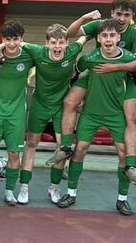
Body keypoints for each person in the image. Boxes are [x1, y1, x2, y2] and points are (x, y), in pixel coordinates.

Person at [49, 0, 136, 186]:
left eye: (126, 15)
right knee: (69, 102)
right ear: (112, 13)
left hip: (123, 75)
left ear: (132, 16)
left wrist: (114, 67)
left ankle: (131, 164)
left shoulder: (135, 32)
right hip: (97, 71)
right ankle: (66, 147)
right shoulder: (99, 27)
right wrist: (85, 17)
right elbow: (69, 33)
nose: (122, 18)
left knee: (133, 117)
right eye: (119, 14)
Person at [56, 19, 136, 215]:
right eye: (104, 36)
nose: (108, 39)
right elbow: (76, 71)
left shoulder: (128, 58)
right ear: (99, 38)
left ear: (118, 37)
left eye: (112, 35)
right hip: (90, 113)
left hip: (115, 114)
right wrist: (77, 94)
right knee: (80, 149)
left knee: (122, 153)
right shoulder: (90, 58)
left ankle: (122, 199)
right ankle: (71, 193)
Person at [17, 24, 89, 205]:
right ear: (47, 43)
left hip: (61, 107)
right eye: (54, 42)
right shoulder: (38, 51)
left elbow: (85, 36)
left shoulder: (73, 50)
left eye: (61, 42)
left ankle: (53, 188)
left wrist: (91, 19)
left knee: (63, 147)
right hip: (39, 105)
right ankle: (24, 186)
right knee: (31, 144)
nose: (57, 46)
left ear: (67, 43)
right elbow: (16, 42)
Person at [0, 20, 37, 206]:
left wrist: (1, 46)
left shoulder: (29, 55)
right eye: (7, 39)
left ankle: (10, 191)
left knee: (14, 154)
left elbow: (45, 51)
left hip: (16, 112)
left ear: (21, 39)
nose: (11, 44)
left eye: (15, 39)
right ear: (2, 39)